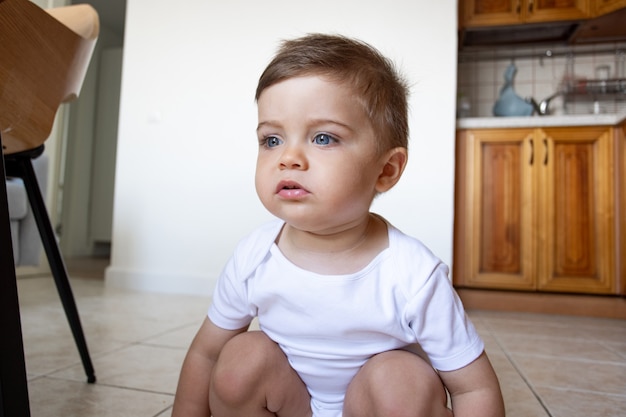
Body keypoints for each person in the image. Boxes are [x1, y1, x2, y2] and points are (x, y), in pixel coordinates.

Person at [172, 33, 505, 417]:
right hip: (290, 403)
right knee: (239, 359)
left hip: (373, 406)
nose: (289, 158)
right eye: (272, 139)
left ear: (386, 170)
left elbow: (473, 387)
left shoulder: (412, 273)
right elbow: (205, 353)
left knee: (402, 381)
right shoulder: (255, 256)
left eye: (324, 137)